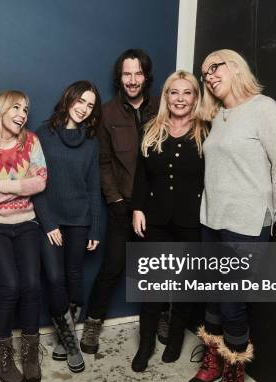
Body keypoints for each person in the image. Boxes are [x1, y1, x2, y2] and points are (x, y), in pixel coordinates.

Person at [185, 49, 276, 382]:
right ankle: (214, 360)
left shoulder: (264, 109)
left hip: (245, 228)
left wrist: (265, 216)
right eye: (204, 73)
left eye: (214, 67)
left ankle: (235, 371)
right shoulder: (217, 115)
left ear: (234, 66)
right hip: (211, 222)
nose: (209, 77)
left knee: (233, 305)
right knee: (213, 299)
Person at [80, 49, 158, 354]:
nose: (133, 80)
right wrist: (114, 199)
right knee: (112, 267)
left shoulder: (161, 109)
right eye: (127, 74)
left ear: (146, 76)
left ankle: (158, 318)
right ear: (119, 77)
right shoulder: (108, 112)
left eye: (138, 73)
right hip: (122, 204)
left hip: (156, 204)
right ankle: (93, 322)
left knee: (157, 267)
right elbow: (103, 161)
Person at [130, 70, 207, 372]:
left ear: (195, 98)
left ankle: (175, 340)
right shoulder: (151, 128)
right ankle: (146, 345)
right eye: (174, 92)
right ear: (166, 97)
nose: (180, 98)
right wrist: (137, 208)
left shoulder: (207, 130)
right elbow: (140, 175)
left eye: (187, 92)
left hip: (192, 220)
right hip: (156, 219)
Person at [0, 90, 48, 382]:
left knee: (32, 284)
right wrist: (21, 184)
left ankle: (30, 353)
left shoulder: (32, 142)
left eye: (26, 110)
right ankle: (1, 354)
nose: (22, 114)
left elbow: (40, 182)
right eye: (15, 108)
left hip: (26, 222)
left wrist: (1, 183)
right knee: (11, 285)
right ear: (0, 111)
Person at [33, 81, 103, 373]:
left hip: (80, 218)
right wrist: (48, 222)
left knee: (75, 275)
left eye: (90, 105)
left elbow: (93, 187)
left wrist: (96, 229)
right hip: (50, 218)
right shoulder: (43, 135)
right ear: (69, 98)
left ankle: (65, 336)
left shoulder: (91, 143)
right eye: (81, 101)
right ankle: (71, 340)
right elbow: (36, 184)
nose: (84, 108)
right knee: (53, 277)